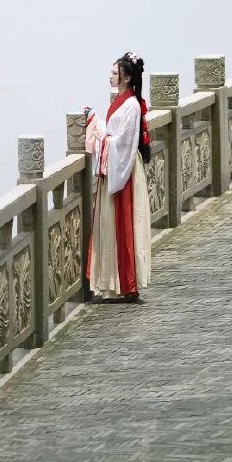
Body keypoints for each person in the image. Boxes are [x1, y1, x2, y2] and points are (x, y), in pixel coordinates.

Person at [84, 50, 151, 302]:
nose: (110, 76)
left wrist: (102, 140)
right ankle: (112, 284)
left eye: (115, 72)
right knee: (110, 227)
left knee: (123, 225)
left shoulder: (132, 105)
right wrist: (95, 121)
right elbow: (114, 134)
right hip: (114, 166)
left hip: (123, 171)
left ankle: (126, 284)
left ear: (126, 77)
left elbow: (124, 143)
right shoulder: (121, 100)